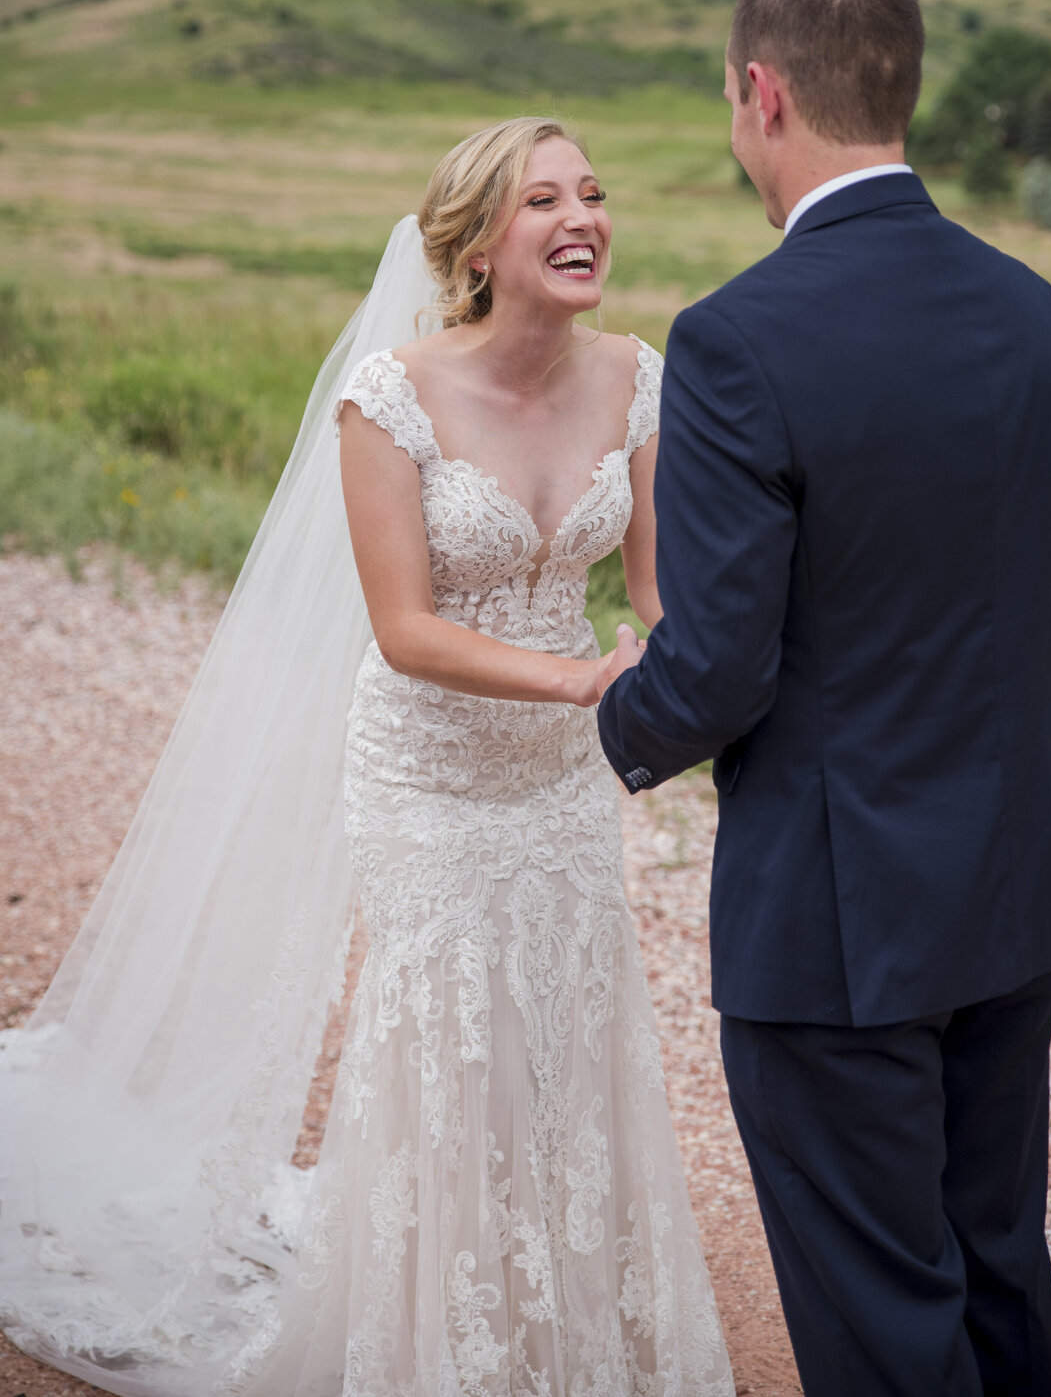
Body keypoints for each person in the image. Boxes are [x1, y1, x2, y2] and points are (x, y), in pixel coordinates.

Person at [0, 118, 733, 1397]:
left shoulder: (638, 373)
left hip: (562, 780)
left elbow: (659, 592)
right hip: (430, 776)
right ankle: (434, 1342)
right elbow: (404, 631)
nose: (583, 220)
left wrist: (684, 681)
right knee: (452, 1044)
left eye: (595, 195)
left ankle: (569, 1331)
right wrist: (583, 679)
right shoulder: (390, 395)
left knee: (568, 1022)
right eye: (542, 201)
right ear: (474, 244)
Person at [597, 0, 1051, 1396]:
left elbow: (712, 674)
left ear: (761, 92)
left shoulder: (736, 339)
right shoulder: (1036, 308)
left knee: (883, 1317)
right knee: (995, 1264)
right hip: (1013, 884)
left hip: (836, 920)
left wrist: (611, 723)